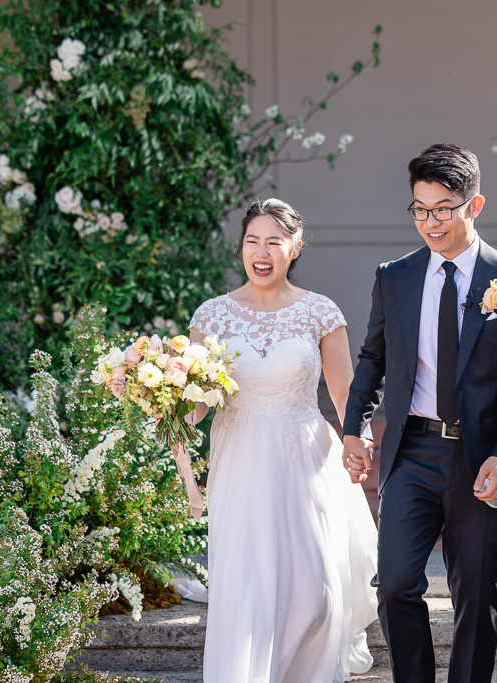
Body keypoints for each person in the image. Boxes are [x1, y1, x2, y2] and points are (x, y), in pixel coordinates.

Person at [342, 143, 497, 683]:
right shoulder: (396, 278)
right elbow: (372, 358)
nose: (431, 222)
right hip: (411, 453)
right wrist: (354, 427)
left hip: (481, 460)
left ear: (474, 206)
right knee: (394, 585)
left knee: (476, 596)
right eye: (420, 208)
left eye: (443, 208)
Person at [188, 198, 379, 683]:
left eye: (275, 241)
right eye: (253, 240)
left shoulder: (319, 311)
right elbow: (194, 401)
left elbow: (345, 393)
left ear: (295, 248)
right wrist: (158, 401)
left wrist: (360, 440)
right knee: (249, 582)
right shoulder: (211, 317)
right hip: (239, 459)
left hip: (305, 457)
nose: (262, 251)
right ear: (241, 249)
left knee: (314, 591)